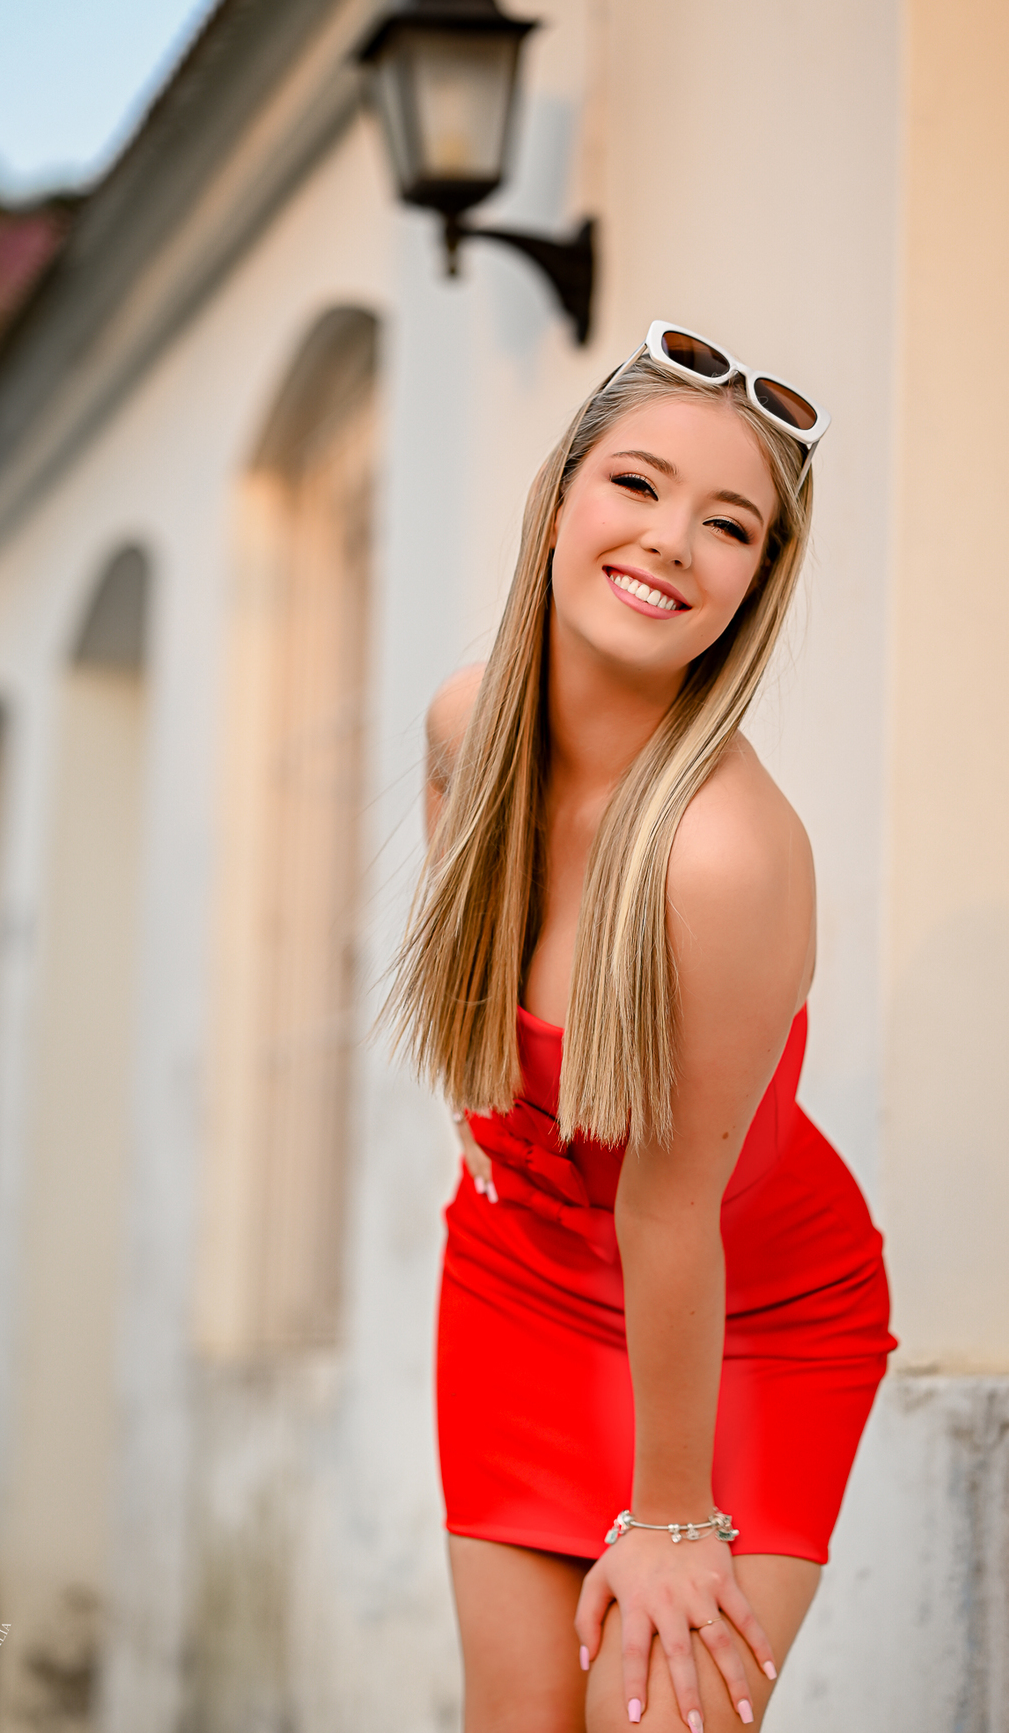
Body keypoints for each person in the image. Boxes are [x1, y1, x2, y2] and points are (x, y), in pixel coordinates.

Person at [386, 323, 895, 1733]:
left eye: (730, 525)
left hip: (748, 1323)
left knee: (655, 1724)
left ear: (754, 586)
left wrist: (674, 1519)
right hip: (520, 1278)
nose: (672, 541)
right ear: (561, 496)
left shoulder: (723, 857)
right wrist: (491, 1129)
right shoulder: (467, 726)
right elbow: (469, 951)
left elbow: (674, 1210)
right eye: (637, 484)